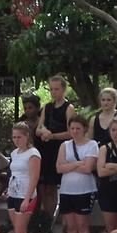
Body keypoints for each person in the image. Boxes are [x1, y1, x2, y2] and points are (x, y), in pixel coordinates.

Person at [56, 114, 99, 233]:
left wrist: (69, 164)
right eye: (72, 128)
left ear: (85, 129)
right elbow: (59, 168)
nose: (75, 131)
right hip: (67, 190)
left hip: (85, 190)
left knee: (82, 226)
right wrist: (78, 163)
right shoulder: (64, 145)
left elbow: (88, 169)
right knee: (71, 226)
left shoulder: (92, 145)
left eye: (78, 128)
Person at [36, 75, 74, 215]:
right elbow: (38, 128)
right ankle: (45, 217)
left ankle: (55, 217)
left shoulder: (68, 108)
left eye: (56, 89)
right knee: (44, 186)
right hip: (46, 149)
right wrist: (44, 132)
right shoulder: (47, 107)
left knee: (54, 186)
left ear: (63, 89)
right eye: (51, 89)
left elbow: (72, 132)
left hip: (60, 150)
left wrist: (53, 136)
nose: (53, 92)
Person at [6, 121, 41, 233]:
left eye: (19, 137)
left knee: (21, 230)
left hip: (26, 195)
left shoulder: (33, 153)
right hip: (13, 193)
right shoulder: (14, 153)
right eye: (14, 137)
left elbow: (34, 177)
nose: (16, 140)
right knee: (17, 230)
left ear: (27, 136)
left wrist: (27, 198)